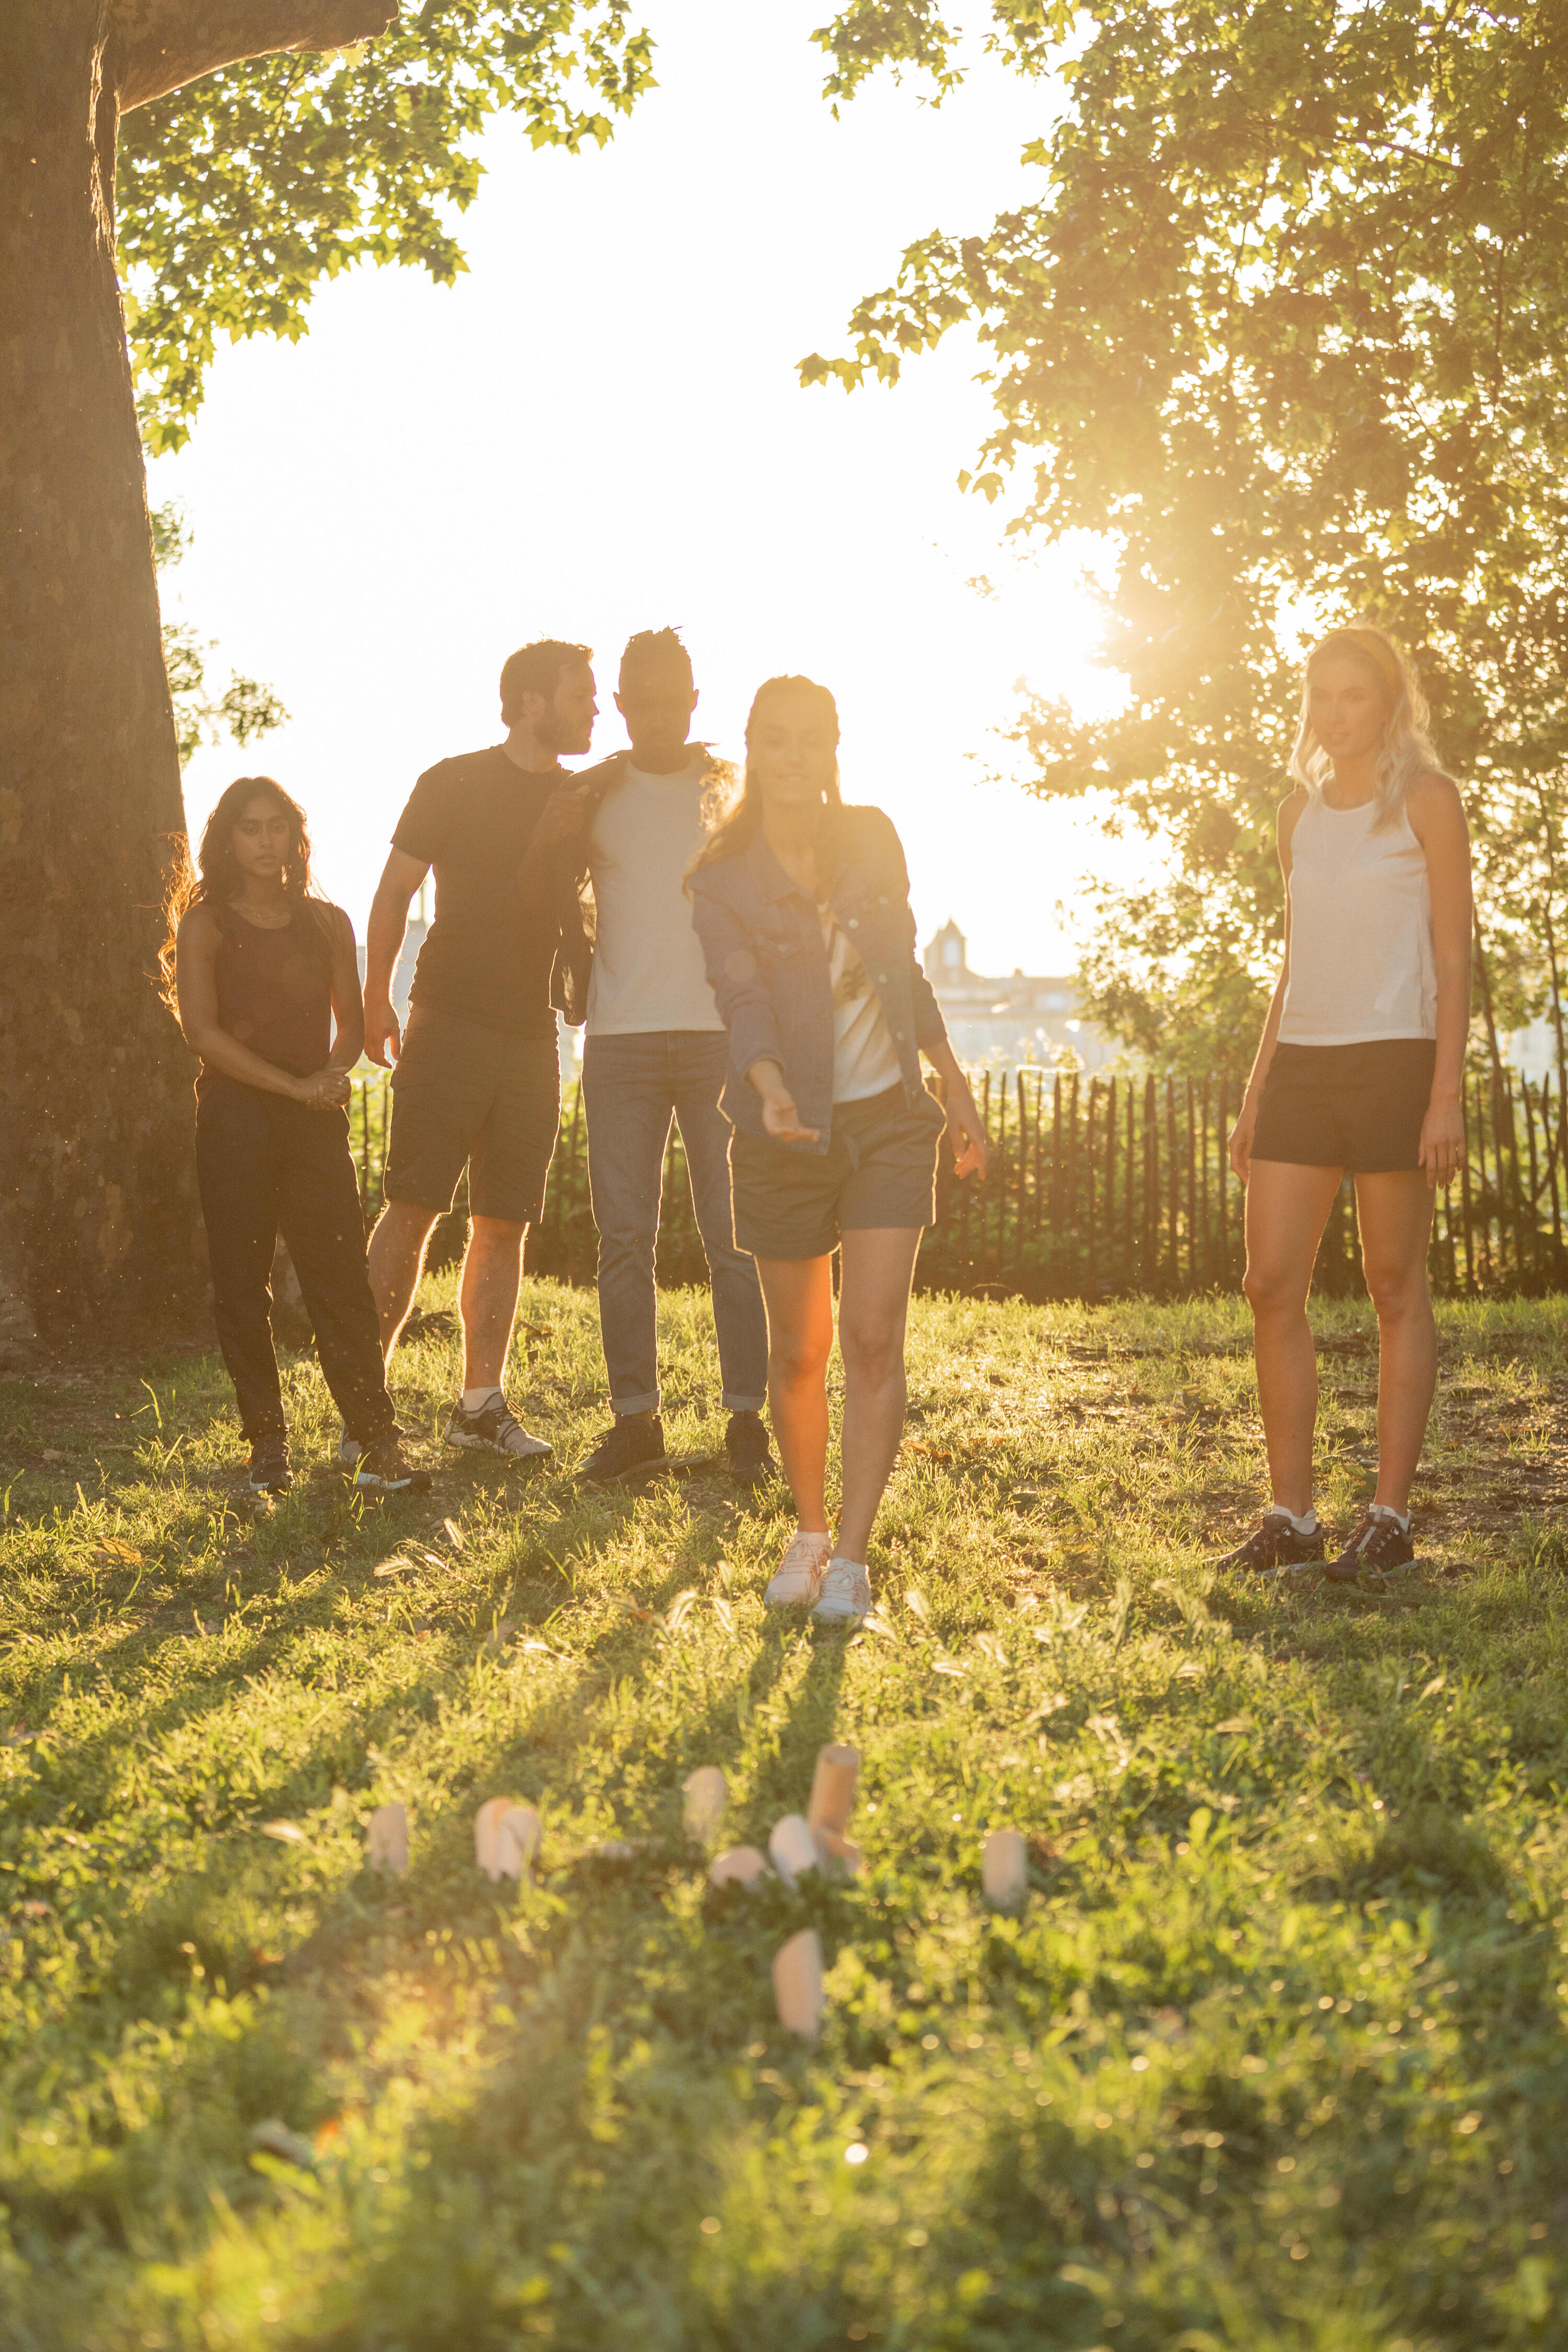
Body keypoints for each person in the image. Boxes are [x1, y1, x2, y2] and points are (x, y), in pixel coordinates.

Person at [687, 675, 989, 1624]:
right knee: (798, 1352)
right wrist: (771, 1090)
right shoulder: (722, 880)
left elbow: (902, 969)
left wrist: (958, 1083)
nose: (796, 758)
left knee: (870, 1336)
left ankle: (852, 1559)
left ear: (833, 747)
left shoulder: (872, 838)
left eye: (812, 740)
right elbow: (742, 998)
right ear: (753, 750)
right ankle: (809, 1531)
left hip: (891, 1120)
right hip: (784, 1134)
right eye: (777, 741)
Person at [1222, 625, 1472, 1583]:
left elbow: (1452, 955)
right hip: (1303, 1067)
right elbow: (1296, 961)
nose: (1335, 712)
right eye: (1322, 695)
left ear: (1390, 703)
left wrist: (1443, 1091)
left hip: (1395, 1062)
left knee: (1393, 1287)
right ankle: (1292, 1514)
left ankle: (1391, 1518)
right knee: (1269, 1284)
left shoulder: (1426, 802)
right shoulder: (1297, 815)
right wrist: (1255, 1090)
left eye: (1354, 695)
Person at [525, 628, 773, 1483]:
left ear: (695, 702)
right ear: (622, 705)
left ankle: (747, 1421)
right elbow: (549, 893)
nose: (660, 716)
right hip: (620, 1040)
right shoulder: (592, 793)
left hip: (718, 1042)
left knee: (733, 1240)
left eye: (676, 701)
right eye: (644, 703)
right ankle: (637, 1423)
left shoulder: (731, 790)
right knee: (623, 1240)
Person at [361, 640, 597, 1465]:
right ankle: (365, 1406)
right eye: (583, 694)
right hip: (449, 1015)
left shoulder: (583, 796)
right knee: (414, 1204)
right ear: (534, 701)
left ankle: (479, 1405)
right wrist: (373, 1003)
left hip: (534, 1032)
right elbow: (394, 892)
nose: (596, 709)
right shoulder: (451, 781)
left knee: (505, 1221)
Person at [164, 777, 430, 1498]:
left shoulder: (326, 923)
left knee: (338, 1276)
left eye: (276, 826)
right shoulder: (207, 926)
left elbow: (353, 1025)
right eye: (249, 828)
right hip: (235, 1117)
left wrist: (331, 1073)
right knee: (242, 1284)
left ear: (294, 834)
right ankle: (268, 1446)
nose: (265, 840)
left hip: (314, 1120)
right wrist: (292, 1086)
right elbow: (202, 1032)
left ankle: (377, 1441)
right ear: (227, 840)